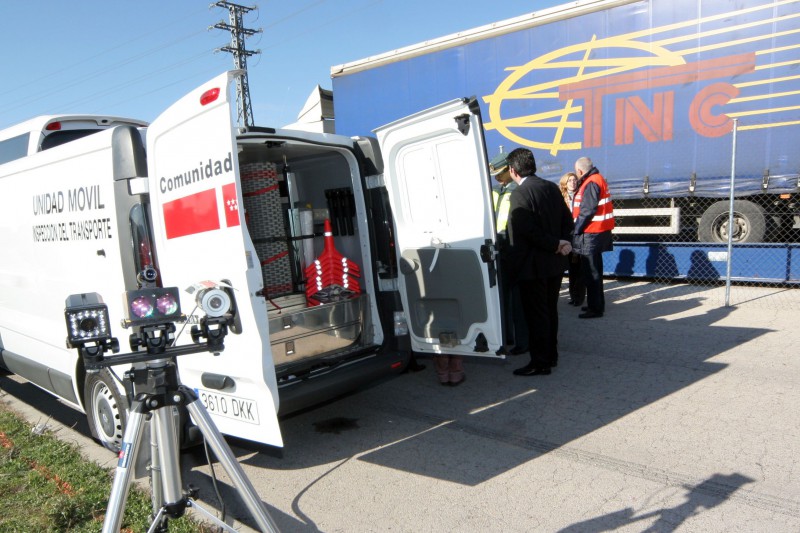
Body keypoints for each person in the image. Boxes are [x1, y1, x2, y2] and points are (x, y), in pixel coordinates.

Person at [506, 148, 573, 376]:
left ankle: (540, 362)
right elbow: (568, 219)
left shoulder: (520, 194)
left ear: (513, 170)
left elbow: (526, 231)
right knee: (550, 312)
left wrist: (555, 243)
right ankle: (551, 356)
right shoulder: (551, 187)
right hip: (554, 265)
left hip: (533, 268)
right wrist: (562, 243)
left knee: (536, 316)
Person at [489, 151, 528, 355]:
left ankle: (522, 341)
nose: (496, 176)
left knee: (517, 300)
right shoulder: (496, 191)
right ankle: (506, 337)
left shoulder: (518, 192)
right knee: (502, 298)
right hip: (499, 250)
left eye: (499, 172)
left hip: (514, 250)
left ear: (509, 169)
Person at [572, 156, 615, 319]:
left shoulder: (591, 182)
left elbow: (587, 211)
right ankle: (595, 305)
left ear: (580, 171)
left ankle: (595, 308)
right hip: (596, 233)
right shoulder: (596, 179)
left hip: (591, 234)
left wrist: (576, 230)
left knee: (592, 273)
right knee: (594, 272)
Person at [559, 172, 586, 307]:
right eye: (570, 180)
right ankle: (572, 295)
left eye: (575, 180)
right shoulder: (561, 197)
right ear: (565, 183)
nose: (573, 182)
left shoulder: (581, 195)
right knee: (570, 267)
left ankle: (579, 296)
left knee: (578, 268)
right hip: (567, 236)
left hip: (579, 235)